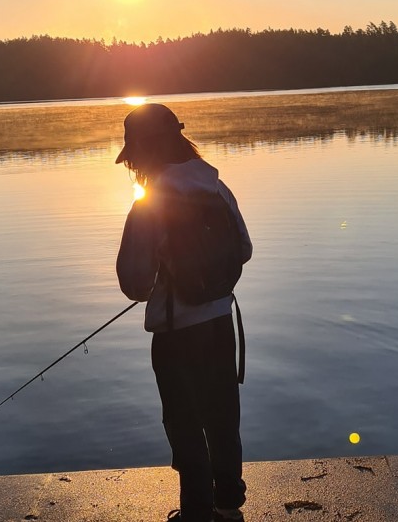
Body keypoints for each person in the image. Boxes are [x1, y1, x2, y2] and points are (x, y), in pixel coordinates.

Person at [115, 103, 252, 522]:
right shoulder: (216, 188)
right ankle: (228, 504)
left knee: (184, 421)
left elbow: (134, 284)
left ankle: (196, 512)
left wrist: (163, 280)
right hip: (220, 322)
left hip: (176, 333)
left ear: (143, 152)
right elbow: (244, 250)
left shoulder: (150, 203)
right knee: (223, 414)